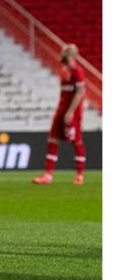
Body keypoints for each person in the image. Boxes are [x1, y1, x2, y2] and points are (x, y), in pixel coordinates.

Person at [33, 44, 86, 186]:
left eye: (64, 53)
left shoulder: (77, 72)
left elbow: (80, 92)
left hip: (72, 112)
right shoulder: (64, 71)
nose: (61, 54)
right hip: (61, 110)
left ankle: (80, 175)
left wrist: (70, 111)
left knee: (76, 141)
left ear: (71, 55)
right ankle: (48, 175)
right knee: (53, 139)